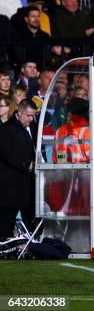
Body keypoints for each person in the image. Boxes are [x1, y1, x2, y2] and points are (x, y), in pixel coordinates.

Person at [0, 99, 36, 240]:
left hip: (29, 183)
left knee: (31, 218)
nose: (31, 119)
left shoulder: (33, 127)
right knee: (6, 221)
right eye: (28, 116)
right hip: (11, 184)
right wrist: (26, 164)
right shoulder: (6, 129)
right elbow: (5, 153)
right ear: (19, 113)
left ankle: (30, 245)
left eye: (33, 116)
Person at [52, 98, 94, 163]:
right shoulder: (88, 131)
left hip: (63, 171)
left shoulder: (59, 131)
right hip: (84, 172)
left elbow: (56, 159)